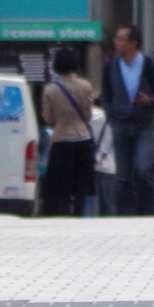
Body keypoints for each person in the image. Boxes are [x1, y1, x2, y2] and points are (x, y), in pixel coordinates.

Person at [99, 25, 154, 216]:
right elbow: (106, 94)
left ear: (133, 43)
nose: (117, 43)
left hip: (145, 124)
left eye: (121, 39)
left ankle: (148, 210)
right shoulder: (111, 66)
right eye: (116, 39)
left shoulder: (148, 65)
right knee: (123, 174)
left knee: (142, 168)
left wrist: (150, 101)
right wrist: (112, 113)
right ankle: (125, 213)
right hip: (120, 123)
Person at [40, 48, 97, 217]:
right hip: (82, 138)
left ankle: (62, 214)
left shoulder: (50, 90)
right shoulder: (85, 86)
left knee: (60, 184)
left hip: (61, 140)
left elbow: (48, 118)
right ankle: (79, 213)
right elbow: (88, 114)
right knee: (81, 184)